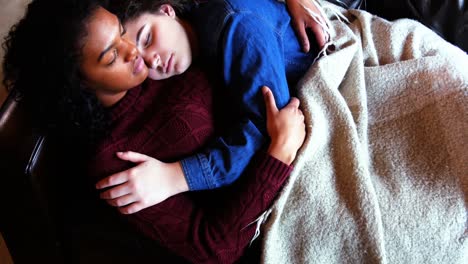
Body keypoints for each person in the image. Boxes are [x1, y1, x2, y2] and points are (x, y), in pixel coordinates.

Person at [2, 0, 309, 262]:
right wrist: (278, 153)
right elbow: (216, 247)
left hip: (291, 91)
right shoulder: (115, 160)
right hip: (282, 166)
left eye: (122, 33)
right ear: (77, 86)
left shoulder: (163, 49)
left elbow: (236, 22)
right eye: (111, 56)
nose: (134, 53)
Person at [98, 0, 328, 213]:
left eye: (147, 38)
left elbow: (272, 131)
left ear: (167, 11)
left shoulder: (236, 27)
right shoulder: (196, 43)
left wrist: (175, 176)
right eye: (143, 62)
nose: (154, 61)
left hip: (321, 54)